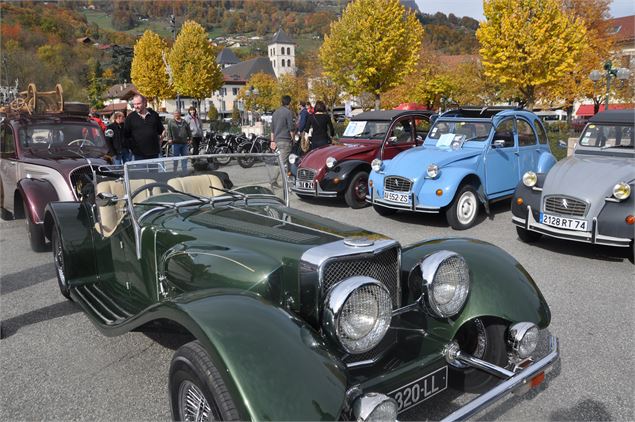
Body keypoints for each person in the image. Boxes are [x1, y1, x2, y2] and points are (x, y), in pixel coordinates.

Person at [124, 94, 164, 161]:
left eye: (138, 104)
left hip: (153, 152)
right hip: (138, 154)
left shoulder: (154, 115)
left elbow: (160, 130)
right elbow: (126, 135)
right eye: (135, 104)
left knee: (153, 171)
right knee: (141, 172)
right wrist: (131, 148)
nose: (136, 106)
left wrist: (161, 139)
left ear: (145, 103)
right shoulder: (130, 118)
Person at [270, 95, 295, 186]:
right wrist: (293, 138)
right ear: (289, 102)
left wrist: (272, 141)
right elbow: (291, 128)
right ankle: (274, 181)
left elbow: (272, 129)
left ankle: (288, 179)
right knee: (282, 162)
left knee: (283, 161)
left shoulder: (275, 113)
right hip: (285, 140)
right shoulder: (288, 112)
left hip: (276, 140)